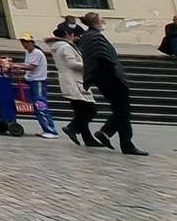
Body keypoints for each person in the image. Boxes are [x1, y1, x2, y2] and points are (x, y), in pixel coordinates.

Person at [79, 11, 145, 156]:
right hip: (109, 79)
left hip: (104, 78)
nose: (104, 22)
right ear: (95, 23)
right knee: (123, 111)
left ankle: (126, 143)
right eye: (101, 20)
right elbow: (103, 59)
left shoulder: (88, 36)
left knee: (121, 111)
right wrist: (116, 77)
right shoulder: (95, 37)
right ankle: (107, 133)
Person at [46, 28, 96, 146]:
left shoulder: (59, 46)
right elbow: (72, 64)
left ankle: (87, 138)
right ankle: (72, 128)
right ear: (68, 34)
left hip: (70, 80)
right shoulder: (65, 47)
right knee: (90, 110)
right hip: (74, 81)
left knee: (80, 111)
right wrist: (89, 65)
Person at [17, 33, 57, 138]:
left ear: (32, 42)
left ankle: (51, 130)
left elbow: (31, 67)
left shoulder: (37, 53)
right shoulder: (28, 53)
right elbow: (27, 66)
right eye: (23, 42)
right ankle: (45, 128)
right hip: (31, 80)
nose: (25, 44)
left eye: (27, 42)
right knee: (36, 105)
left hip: (38, 81)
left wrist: (15, 66)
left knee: (40, 104)